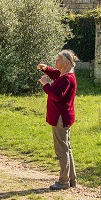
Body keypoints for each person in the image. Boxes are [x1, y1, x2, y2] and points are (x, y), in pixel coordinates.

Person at [38, 49, 79, 190]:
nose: (56, 61)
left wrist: (45, 84)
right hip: (64, 116)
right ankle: (71, 179)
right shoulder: (65, 75)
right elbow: (56, 75)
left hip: (60, 118)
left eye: (59, 59)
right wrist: (46, 69)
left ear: (66, 63)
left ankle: (63, 181)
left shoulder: (67, 79)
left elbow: (57, 95)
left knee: (62, 150)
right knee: (66, 148)